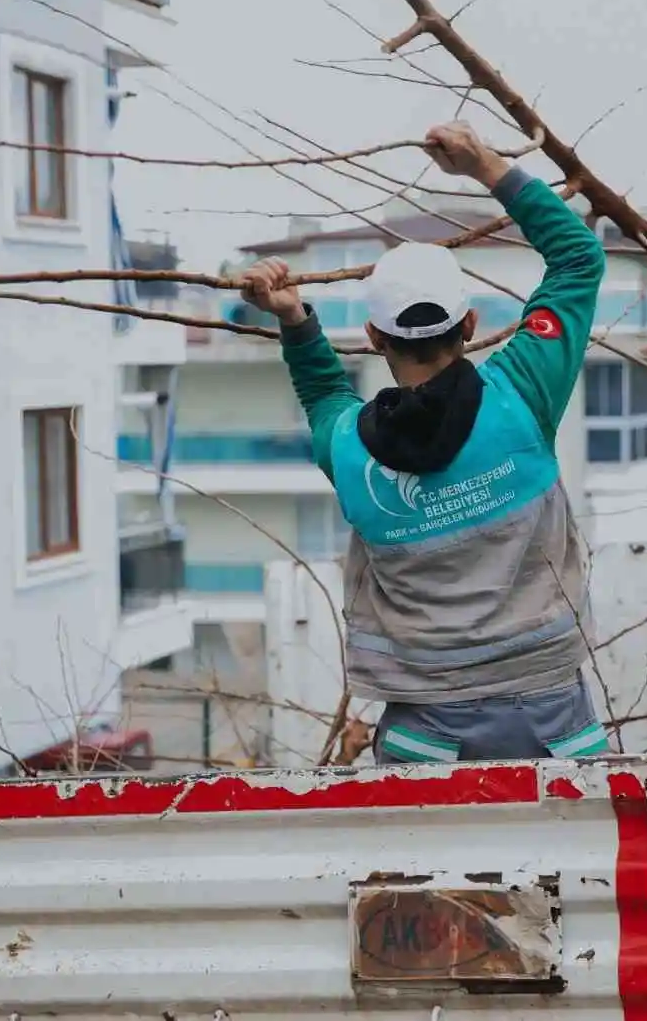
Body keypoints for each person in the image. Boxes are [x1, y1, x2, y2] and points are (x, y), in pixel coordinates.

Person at [237, 120, 610, 765]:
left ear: (376, 341)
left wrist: (295, 319)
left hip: (422, 741)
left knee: (429, 871)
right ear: (470, 323)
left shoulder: (349, 449)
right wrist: (485, 165)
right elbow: (579, 257)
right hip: (559, 727)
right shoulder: (523, 394)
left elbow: (325, 395)